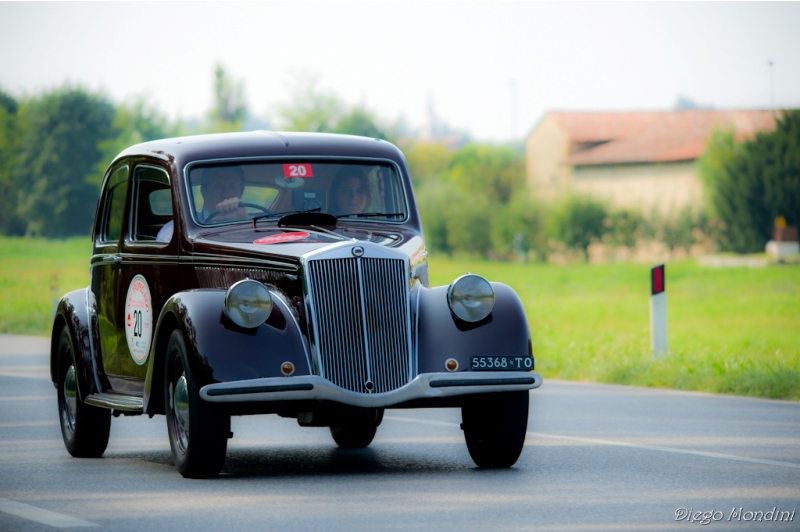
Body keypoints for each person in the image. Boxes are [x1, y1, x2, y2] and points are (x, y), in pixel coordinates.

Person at [156, 166, 246, 242]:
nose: (226, 194)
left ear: (241, 192)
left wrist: (244, 218)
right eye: (217, 186)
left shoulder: (250, 224)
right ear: (204, 193)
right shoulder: (174, 231)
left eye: (233, 187)